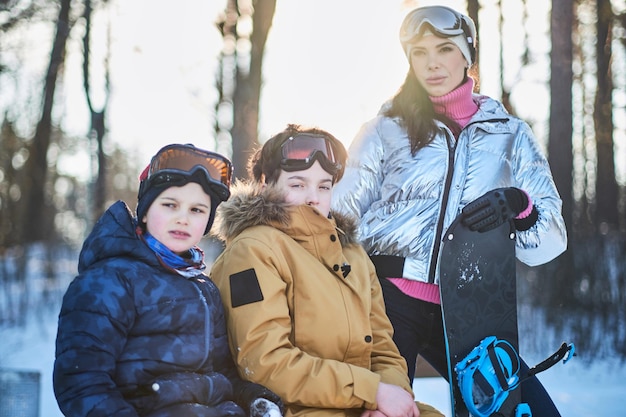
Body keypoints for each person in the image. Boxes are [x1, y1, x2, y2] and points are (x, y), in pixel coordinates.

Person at [331, 5, 568, 416]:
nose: (432, 63)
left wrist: (521, 207)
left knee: (527, 411)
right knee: (383, 411)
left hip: (470, 306)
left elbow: (550, 241)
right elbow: (339, 217)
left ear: (467, 55)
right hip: (387, 303)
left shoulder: (511, 135)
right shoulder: (385, 128)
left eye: (443, 48)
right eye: (419, 53)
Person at [209, 124, 444, 417]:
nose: (313, 197)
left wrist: (385, 401)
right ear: (265, 185)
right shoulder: (252, 252)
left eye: (324, 186)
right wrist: (370, 391)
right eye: (297, 185)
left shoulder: (353, 255)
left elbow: (384, 350)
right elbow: (265, 362)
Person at [53, 143, 283, 417]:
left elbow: (220, 371)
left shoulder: (203, 288)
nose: (183, 218)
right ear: (146, 211)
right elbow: (81, 382)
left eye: (197, 210)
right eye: (170, 205)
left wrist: (251, 397)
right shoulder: (109, 281)